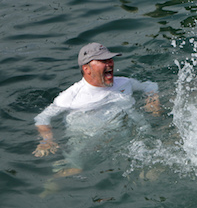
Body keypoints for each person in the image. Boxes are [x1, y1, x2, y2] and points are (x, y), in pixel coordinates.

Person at [33, 42, 161, 158]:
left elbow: (150, 85)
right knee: (71, 170)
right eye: (103, 60)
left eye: (110, 59)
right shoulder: (70, 97)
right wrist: (47, 140)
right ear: (86, 68)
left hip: (132, 137)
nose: (109, 63)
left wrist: (153, 99)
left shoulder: (124, 82)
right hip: (90, 146)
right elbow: (42, 118)